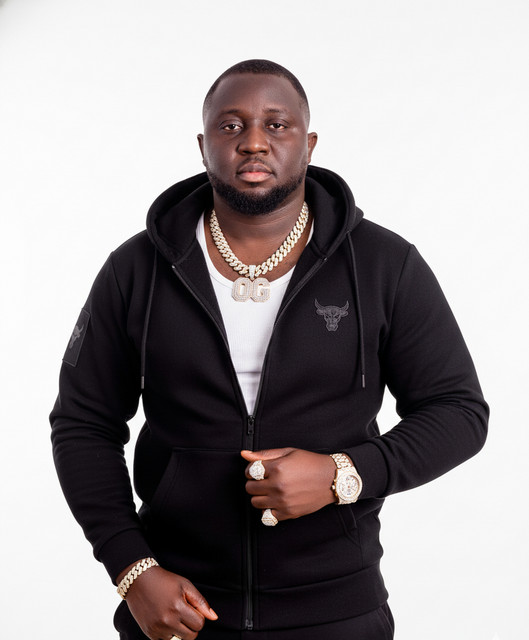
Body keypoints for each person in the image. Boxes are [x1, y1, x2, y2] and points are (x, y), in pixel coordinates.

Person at [50, 59, 488, 640]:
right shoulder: (136, 270)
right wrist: (132, 569)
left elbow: (459, 412)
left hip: (338, 611)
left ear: (308, 144)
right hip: (179, 608)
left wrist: (342, 474)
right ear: (203, 146)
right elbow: (83, 424)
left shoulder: (384, 265)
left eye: (276, 125)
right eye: (231, 126)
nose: (254, 141)